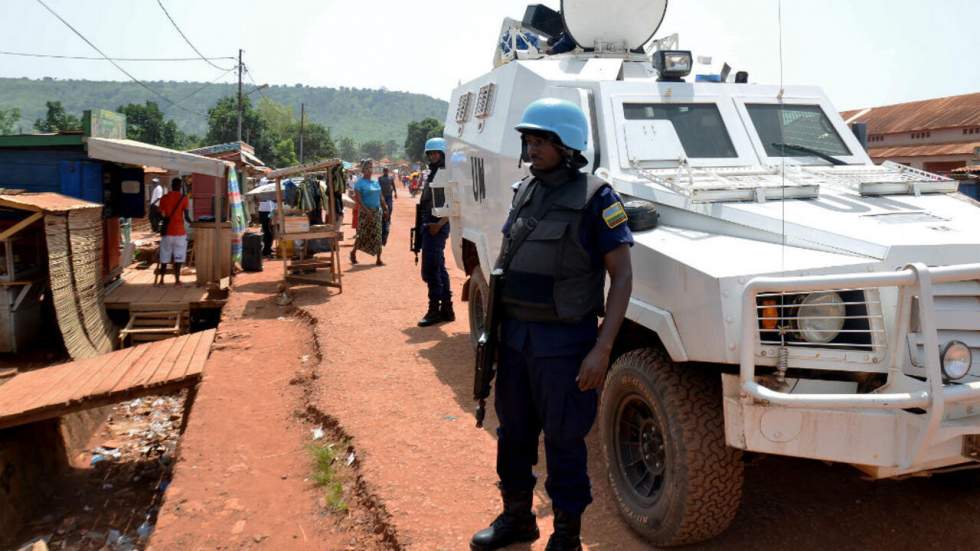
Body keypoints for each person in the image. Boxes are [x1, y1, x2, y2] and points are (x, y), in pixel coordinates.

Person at [470, 98, 633, 551]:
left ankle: (567, 536)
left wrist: (602, 349)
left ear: (567, 145)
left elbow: (622, 276)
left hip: (565, 346)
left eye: (540, 140)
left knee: (564, 440)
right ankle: (518, 518)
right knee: (513, 435)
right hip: (517, 342)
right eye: (528, 139)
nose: (531, 147)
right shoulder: (525, 191)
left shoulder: (597, 197)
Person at [416, 137, 454, 326]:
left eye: (435, 153)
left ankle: (434, 310)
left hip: (436, 225)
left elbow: (454, 203)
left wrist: (439, 224)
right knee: (439, 266)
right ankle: (447, 308)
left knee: (431, 269)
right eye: (430, 153)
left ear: (443, 154)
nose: (432, 156)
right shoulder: (433, 173)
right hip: (430, 224)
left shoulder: (445, 173)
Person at [351, 159, 387, 266]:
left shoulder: (376, 182)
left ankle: (379, 259)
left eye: (371, 167)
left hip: (376, 212)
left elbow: (380, 196)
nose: (370, 169)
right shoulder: (359, 183)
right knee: (362, 235)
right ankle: (353, 252)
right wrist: (367, 211)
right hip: (365, 213)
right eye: (368, 167)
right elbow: (359, 199)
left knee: (377, 235)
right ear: (364, 169)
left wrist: (385, 208)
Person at [157, 177, 191, 287]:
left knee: (164, 256)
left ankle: (161, 280)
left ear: (171, 186)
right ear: (180, 187)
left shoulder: (164, 198)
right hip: (179, 232)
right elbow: (186, 217)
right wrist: (193, 223)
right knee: (178, 257)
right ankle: (177, 281)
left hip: (167, 232)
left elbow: (160, 214)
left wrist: (165, 219)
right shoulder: (184, 198)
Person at [378, 167, 397, 246]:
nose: (386, 172)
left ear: (388, 171)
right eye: (384, 171)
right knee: (382, 209)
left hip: (389, 196)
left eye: (387, 171)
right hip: (382, 196)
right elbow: (377, 187)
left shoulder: (390, 178)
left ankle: (388, 219)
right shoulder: (380, 178)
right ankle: (383, 219)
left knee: (390, 208)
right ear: (383, 171)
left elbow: (393, 185)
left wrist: (395, 193)